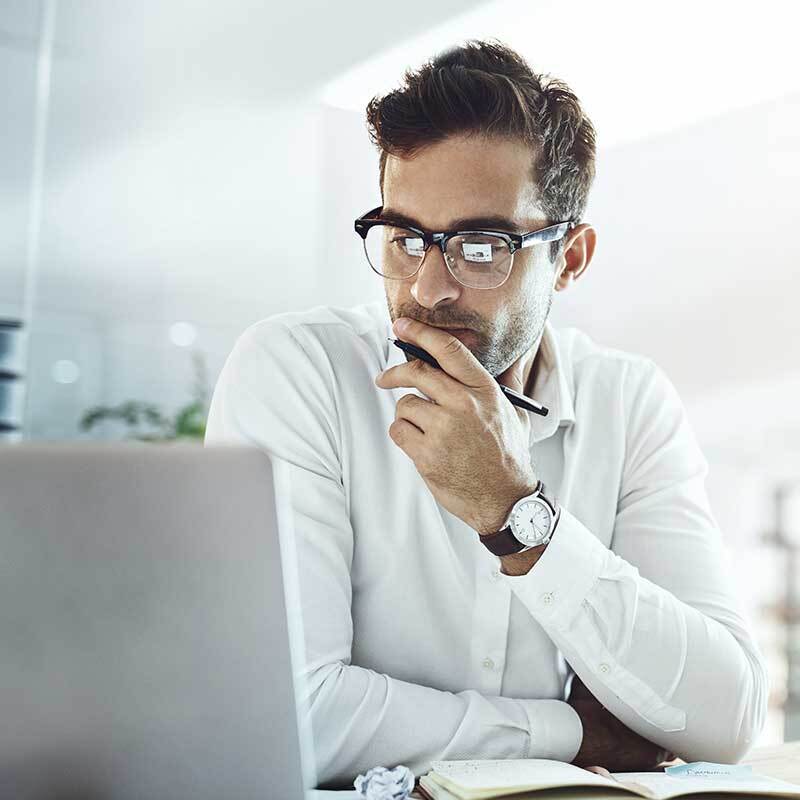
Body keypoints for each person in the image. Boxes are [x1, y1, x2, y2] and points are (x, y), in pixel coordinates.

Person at [205, 39, 768, 789]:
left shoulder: (629, 403)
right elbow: (282, 715)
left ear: (570, 257)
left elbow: (725, 715)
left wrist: (515, 514)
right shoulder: (297, 373)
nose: (430, 287)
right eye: (405, 238)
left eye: (480, 246)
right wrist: (567, 731)